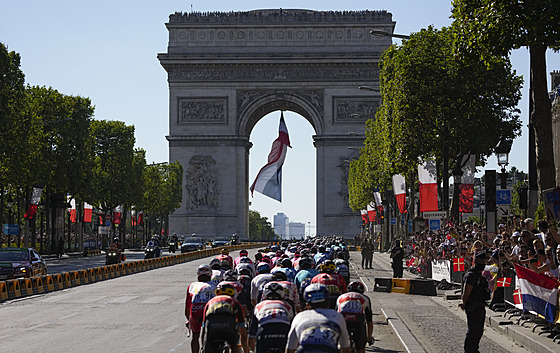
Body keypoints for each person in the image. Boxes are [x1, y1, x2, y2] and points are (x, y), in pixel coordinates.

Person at [286, 283, 351, 353]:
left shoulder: (299, 317)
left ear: (307, 305)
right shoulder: (337, 316)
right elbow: (345, 347)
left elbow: (290, 348)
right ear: (328, 302)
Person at [201, 282, 249, 353]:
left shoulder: (210, 302)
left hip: (212, 329)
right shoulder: (235, 302)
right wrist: (245, 350)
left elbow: (204, 327)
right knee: (233, 346)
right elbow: (242, 329)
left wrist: (203, 347)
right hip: (228, 328)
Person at [248, 282, 295, 353]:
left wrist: (253, 349)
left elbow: (252, 334)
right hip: (283, 330)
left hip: (264, 331)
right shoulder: (287, 305)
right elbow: (293, 328)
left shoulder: (258, 306)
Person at [459, 251, 491, 353]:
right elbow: (467, 291)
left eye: (484, 261)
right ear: (476, 261)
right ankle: (469, 350)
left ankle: (474, 349)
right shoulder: (471, 275)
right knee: (473, 331)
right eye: (481, 261)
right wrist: (464, 303)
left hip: (480, 306)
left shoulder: (478, 274)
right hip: (473, 306)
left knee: (479, 331)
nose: (483, 263)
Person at [185, 265, 216, 353]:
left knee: (195, 336)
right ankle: (204, 349)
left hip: (195, 310)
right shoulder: (215, 286)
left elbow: (187, 307)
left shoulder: (192, 286)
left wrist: (189, 320)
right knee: (206, 331)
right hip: (209, 309)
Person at [336, 281, 374, 353]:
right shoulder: (365, 298)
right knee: (360, 349)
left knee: (341, 347)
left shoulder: (340, 297)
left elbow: (335, 315)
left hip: (343, 319)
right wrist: (368, 338)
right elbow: (369, 322)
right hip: (358, 321)